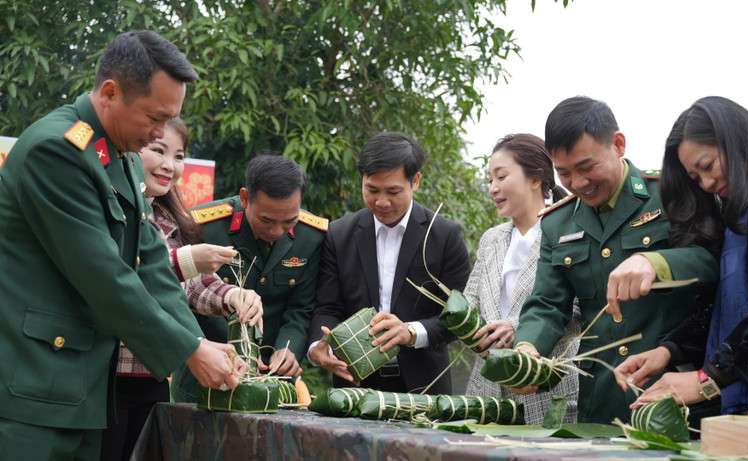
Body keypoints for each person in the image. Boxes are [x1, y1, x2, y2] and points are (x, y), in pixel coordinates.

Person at [0, 30, 245, 459]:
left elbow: (149, 261)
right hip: (33, 389)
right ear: (110, 93)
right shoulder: (56, 151)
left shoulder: (122, 157)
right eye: (154, 118)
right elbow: (105, 275)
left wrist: (199, 342)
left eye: (170, 119)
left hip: (81, 389)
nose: (160, 132)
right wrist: (189, 351)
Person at [511, 96, 719, 424]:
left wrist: (658, 263)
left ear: (618, 144)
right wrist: (528, 349)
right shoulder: (556, 223)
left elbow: (715, 263)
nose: (578, 184)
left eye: (587, 167)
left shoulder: (669, 192)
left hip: (674, 393)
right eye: (564, 173)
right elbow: (547, 304)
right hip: (603, 400)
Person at [615, 96, 748, 418]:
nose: (708, 183)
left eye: (707, 166)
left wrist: (707, 380)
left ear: (738, 141)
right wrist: (668, 350)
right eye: (696, 179)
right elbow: (723, 308)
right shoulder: (740, 219)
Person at [101, 118, 264, 460]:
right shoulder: (108, 203)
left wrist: (232, 296)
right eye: (158, 150)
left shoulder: (171, 218)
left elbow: (189, 285)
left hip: (154, 371)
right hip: (106, 372)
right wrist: (187, 259)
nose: (168, 165)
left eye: (178, 156)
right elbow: (126, 274)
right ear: (130, 147)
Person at [307, 131, 472, 394]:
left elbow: (462, 315)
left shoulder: (444, 235)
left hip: (425, 389)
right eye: (371, 190)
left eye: (393, 191)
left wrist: (412, 332)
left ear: (415, 181)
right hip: (354, 388)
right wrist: (318, 344)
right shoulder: (339, 235)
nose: (381, 202)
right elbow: (327, 306)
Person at [171, 154, 326, 402]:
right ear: (245, 198)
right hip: (206, 377)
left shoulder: (312, 236)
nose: (276, 231)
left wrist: (288, 350)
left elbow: (301, 308)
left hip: (273, 381)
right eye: (266, 220)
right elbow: (179, 297)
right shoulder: (203, 225)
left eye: (288, 221)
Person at [464, 133, 582, 425]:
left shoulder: (572, 232)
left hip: (547, 390)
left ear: (536, 178)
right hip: (487, 393)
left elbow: (579, 305)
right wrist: (470, 329)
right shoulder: (491, 239)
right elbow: (471, 300)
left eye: (501, 177)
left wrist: (516, 328)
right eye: (490, 179)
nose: (493, 188)